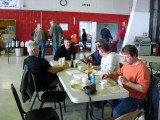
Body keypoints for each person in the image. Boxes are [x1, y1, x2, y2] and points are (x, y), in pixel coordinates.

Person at [101, 45, 150, 118]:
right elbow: (117, 74)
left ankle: (123, 114)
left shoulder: (142, 69)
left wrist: (127, 82)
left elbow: (143, 89)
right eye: (123, 57)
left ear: (134, 55)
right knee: (107, 96)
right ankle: (124, 113)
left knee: (117, 112)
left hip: (136, 98)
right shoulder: (127, 64)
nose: (124, 60)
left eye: (127, 57)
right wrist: (108, 76)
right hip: (125, 93)